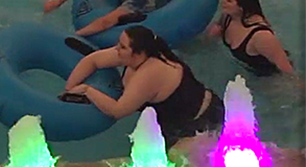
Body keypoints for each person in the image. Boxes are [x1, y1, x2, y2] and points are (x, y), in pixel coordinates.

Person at [64, 25, 225, 148]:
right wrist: (69, 88)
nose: (117, 49)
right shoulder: (136, 54)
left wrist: (87, 90)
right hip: (174, 118)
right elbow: (92, 60)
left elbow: (118, 111)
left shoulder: (150, 73)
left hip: (202, 121)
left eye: (122, 47)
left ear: (138, 54)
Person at [207, 0, 294, 76]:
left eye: (228, 0)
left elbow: (288, 71)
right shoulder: (228, 16)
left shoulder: (261, 37)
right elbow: (211, 37)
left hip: (269, 77)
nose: (223, 2)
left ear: (242, 6)